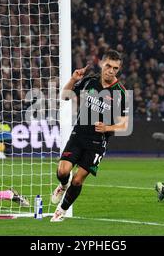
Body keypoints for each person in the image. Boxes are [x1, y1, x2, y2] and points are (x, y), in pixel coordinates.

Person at [50, 50, 129, 222]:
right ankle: (63, 185)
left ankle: (61, 211)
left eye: (115, 68)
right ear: (102, 64)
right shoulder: (89, 81)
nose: (111, 71)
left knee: (78, 181)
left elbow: (124, 124)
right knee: (63, 171)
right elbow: (64, 96)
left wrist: (108, 127)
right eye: (108, 66)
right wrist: (73, 79)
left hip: (97, 143)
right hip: (79, 134)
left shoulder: (121, 93)